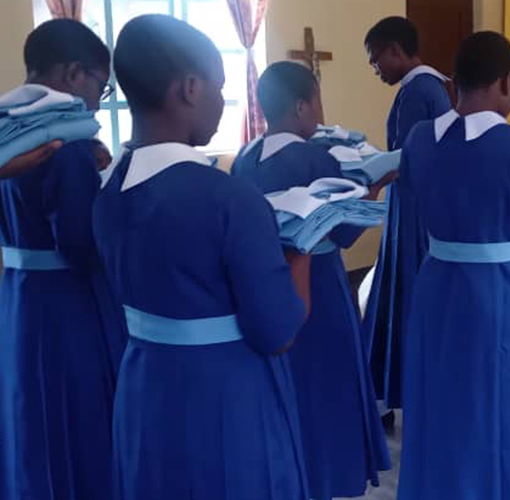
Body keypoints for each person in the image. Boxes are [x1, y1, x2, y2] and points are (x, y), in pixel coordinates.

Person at [94, 15, 309, 499]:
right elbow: (277, 332)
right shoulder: (230, 199)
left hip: (144, 386)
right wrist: (303, 249)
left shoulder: (107, 191)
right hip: (224, 394)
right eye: (220, 87)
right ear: (190, 88)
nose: (221, 100)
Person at [396, 31, 510, 500]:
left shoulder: (420, 139)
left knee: (442, 396)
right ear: (506, 82)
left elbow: (413, 196)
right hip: (501, 292)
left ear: (455, 82)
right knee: (506, 404)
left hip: (437, 284)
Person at [231, 61, 391, 499]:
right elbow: (345, 232)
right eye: (318, 101)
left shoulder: (245, 158)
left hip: (263, 285)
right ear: (301, 106)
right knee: (326, 391)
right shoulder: (317, 158)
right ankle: (324, 480)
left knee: (285, 391)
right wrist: (374, 186)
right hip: (317, 285)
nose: (322, 112)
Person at [0, 20, 127, 500]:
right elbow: (79, 244)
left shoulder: (9, 127)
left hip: (18, 296)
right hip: (67, 304)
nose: (97, 102)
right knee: (77, 418)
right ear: (74, 74)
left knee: (29, 412)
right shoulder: (65, 142)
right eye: (101, 86)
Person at [362, 15, 452, 428]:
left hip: (414, 209)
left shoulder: (418, 90)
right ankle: (400, 394)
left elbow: (409, 157)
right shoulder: (428, 87)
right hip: (418, 205)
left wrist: (370, 173)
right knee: (399, 297)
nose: (375, 69)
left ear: (395, 50)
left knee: (405, 298)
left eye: (376, 60)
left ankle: (406, 394)